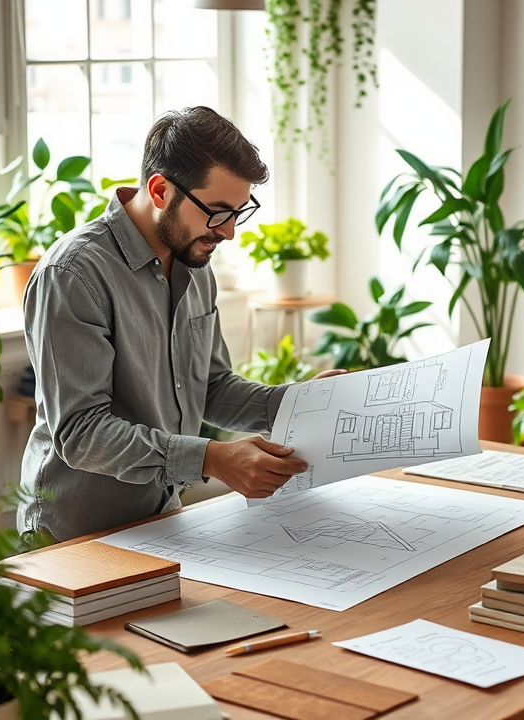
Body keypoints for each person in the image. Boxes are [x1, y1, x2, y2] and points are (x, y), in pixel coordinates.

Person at [18, 107, 324, 543]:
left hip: (161, 519)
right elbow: (81, 433)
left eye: (240, 212)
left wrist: (303, 405)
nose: (230, 232)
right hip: (72, 535)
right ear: (160, 190)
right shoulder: (72, 275)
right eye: (218, 212)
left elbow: (211, 388)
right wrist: (212, 459)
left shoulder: (195, 262)